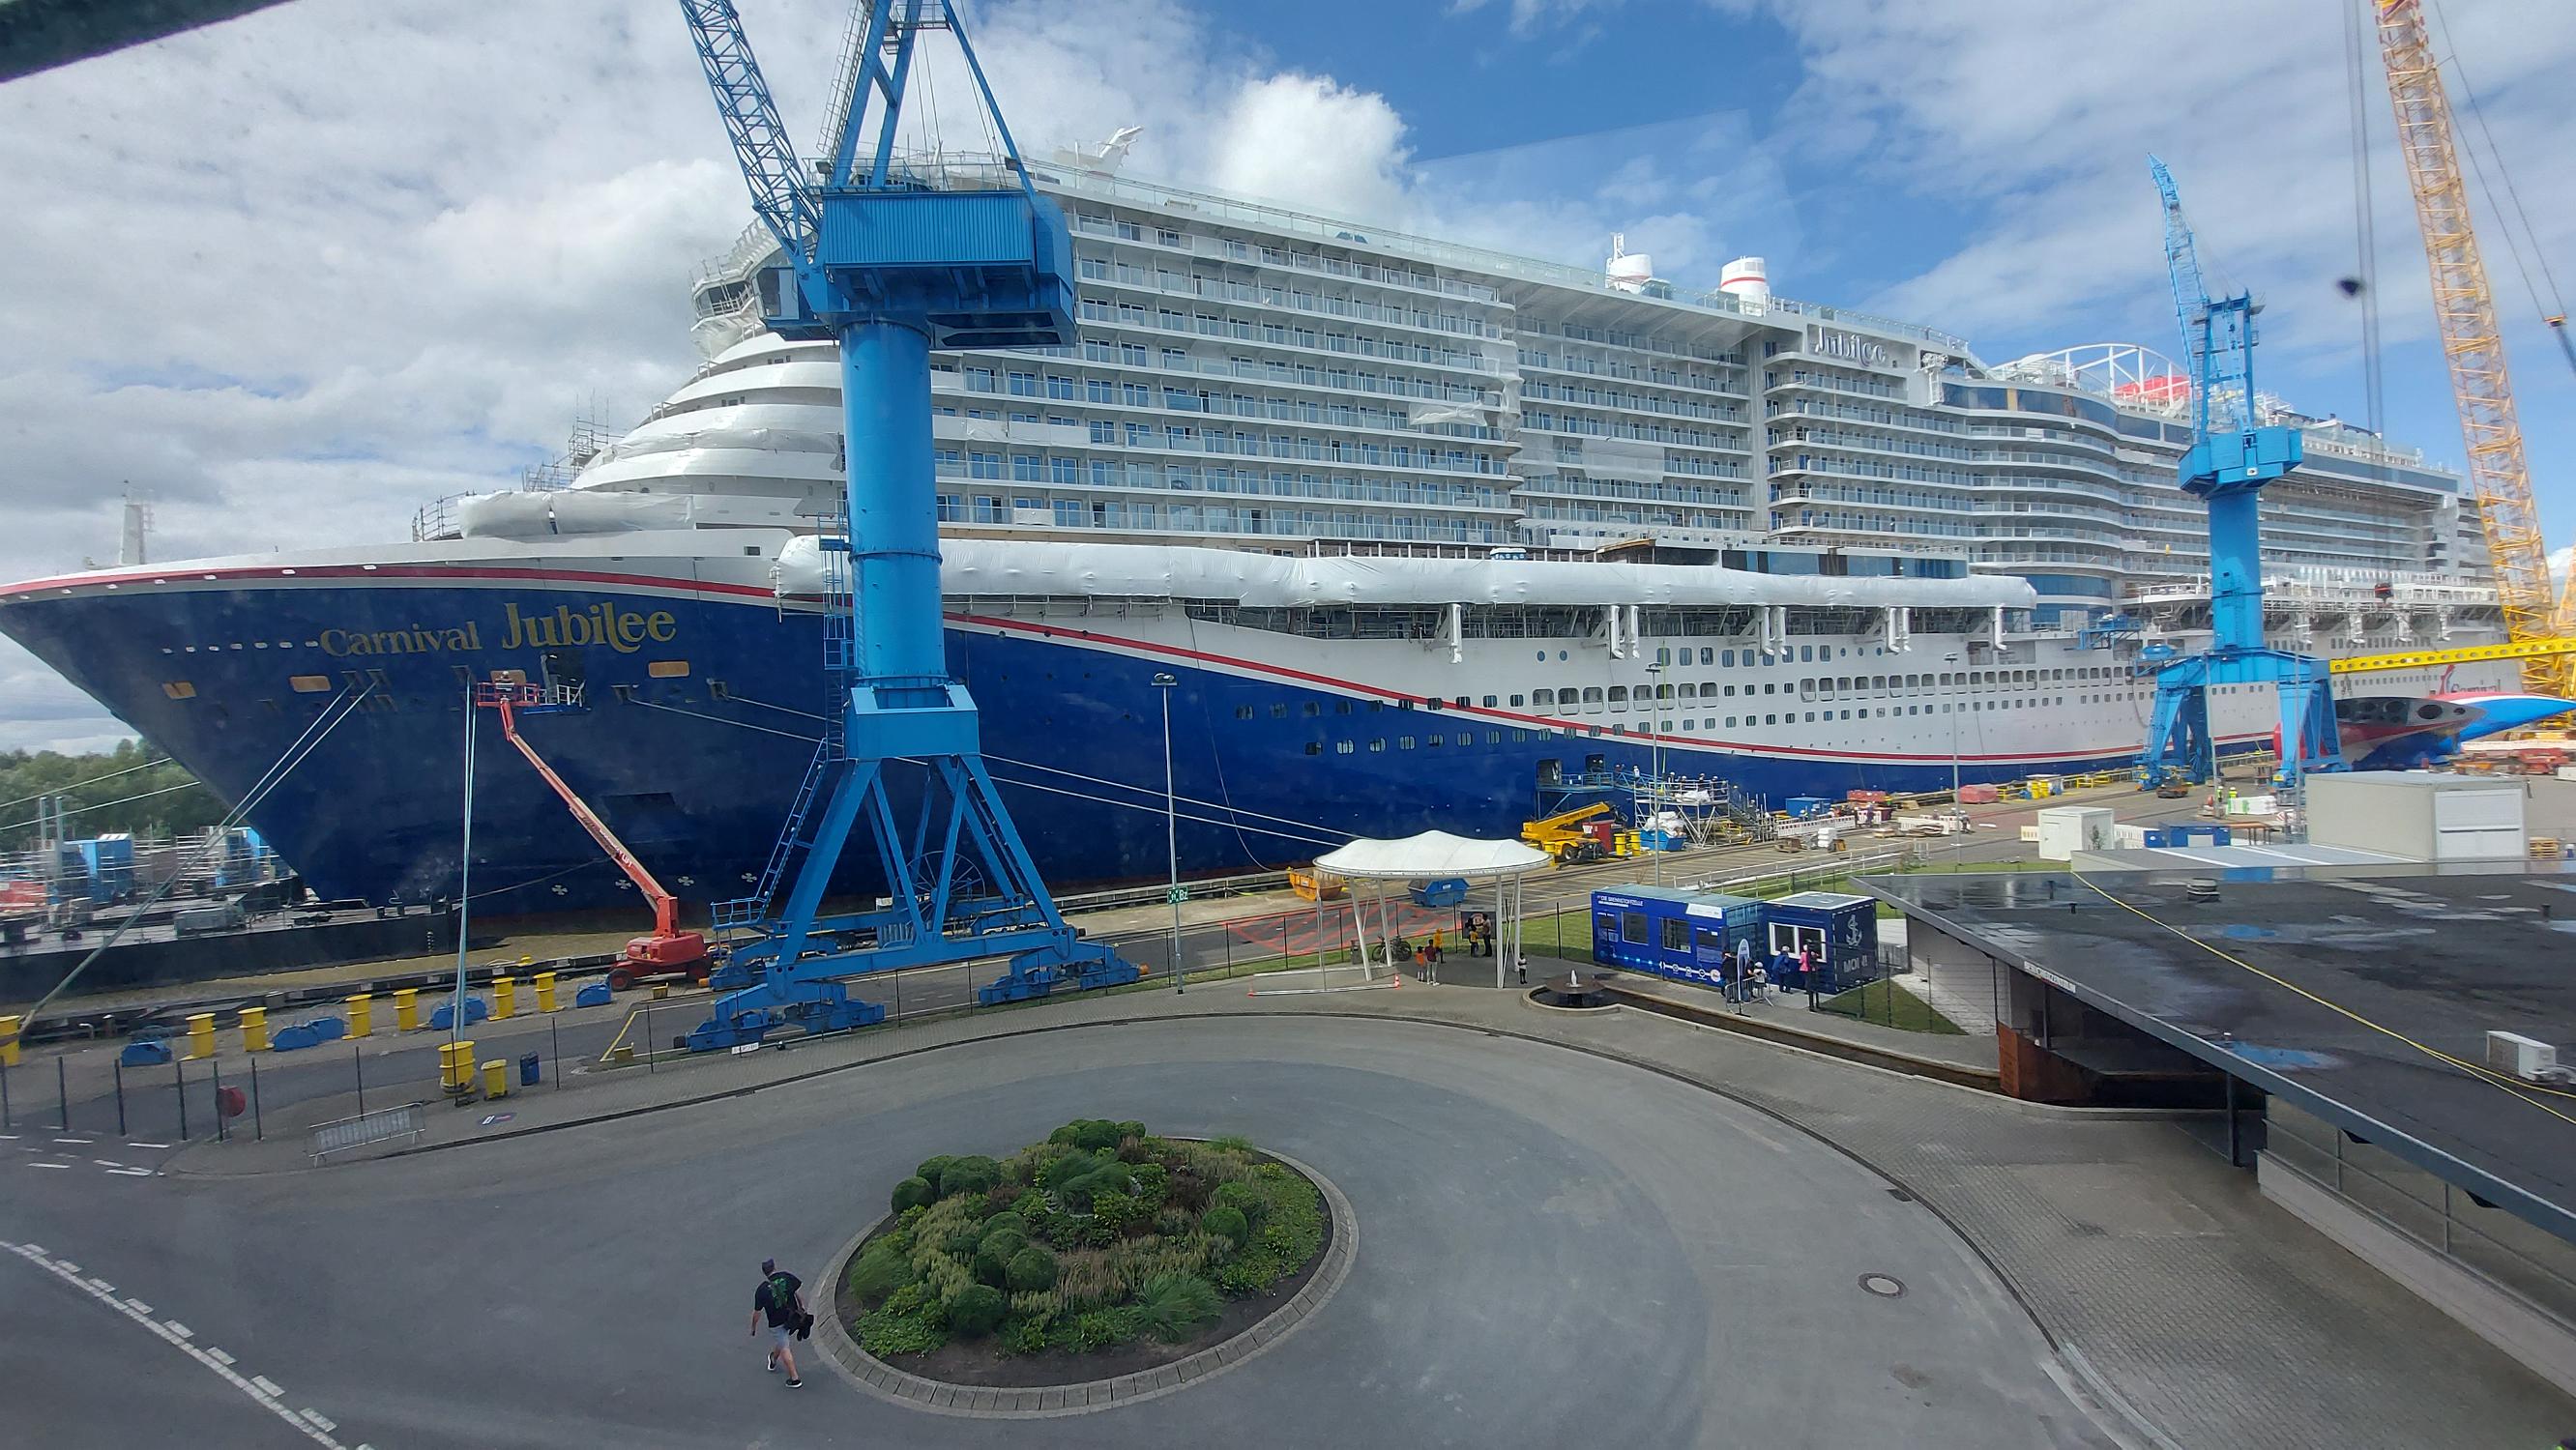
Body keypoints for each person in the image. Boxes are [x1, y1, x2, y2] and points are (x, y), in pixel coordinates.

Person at [750, 1257, 805, 1387]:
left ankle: (795, 1379)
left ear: (764, 1273)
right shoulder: (786, 1277)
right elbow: (797, 1292)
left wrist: (753, 1328)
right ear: (775, 1267)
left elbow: (757, 1312)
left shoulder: (762, 1290)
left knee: (785, 1347)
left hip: (776, 1323)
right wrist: (802, 1307)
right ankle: (773, 1359)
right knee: (782, 1340)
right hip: (791, 1317)